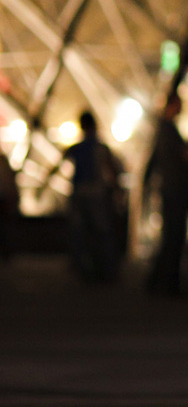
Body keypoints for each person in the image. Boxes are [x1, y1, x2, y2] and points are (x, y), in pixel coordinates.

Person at [64, 111, 122, 283]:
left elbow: (61, 162)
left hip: (80, 191)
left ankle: (82, 267)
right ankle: (105, 268)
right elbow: (110, 169)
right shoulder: (100, 147)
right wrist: (116, 189)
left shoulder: (76, 148)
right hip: (96, 193)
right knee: (102, 231)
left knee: (80, 231)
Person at [145, 93, 188, 296]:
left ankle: (159, 281)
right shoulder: (168, 130)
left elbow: (154, 160)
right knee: (174, 237)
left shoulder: (164, 129)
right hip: (174, 188)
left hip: (170, 188)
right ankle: (166, 282)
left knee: (171, 237)